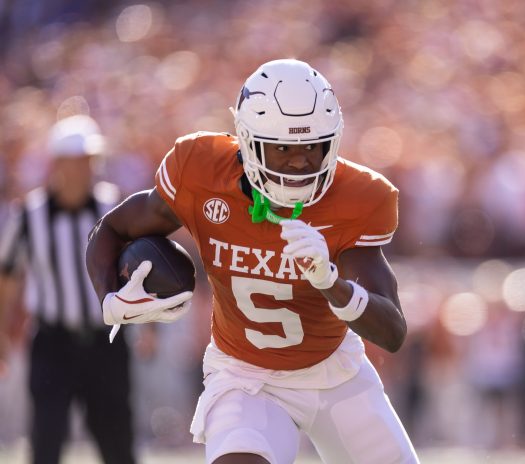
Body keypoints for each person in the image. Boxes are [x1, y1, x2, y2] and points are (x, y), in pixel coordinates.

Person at [86, 58, 419, 464]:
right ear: (246, 140)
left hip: (335, 372)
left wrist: (330, 281)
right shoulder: (202, 171)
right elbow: (112, 228)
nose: (301, 163)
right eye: (283, 148)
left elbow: (393, 331)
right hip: (246, 377)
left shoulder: (359, 198)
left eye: (314, 147)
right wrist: (109, 297)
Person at [0, 115, 137, 464]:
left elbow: (138, 271)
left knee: (118, 442)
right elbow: (9, 274)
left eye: (88, 160)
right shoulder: (29, 215)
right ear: (58, 163)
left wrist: (147, 327)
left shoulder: (114, 208)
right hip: (52, 342)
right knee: (45, 441)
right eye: (75, 161)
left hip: (106, 341)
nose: (83, 169)